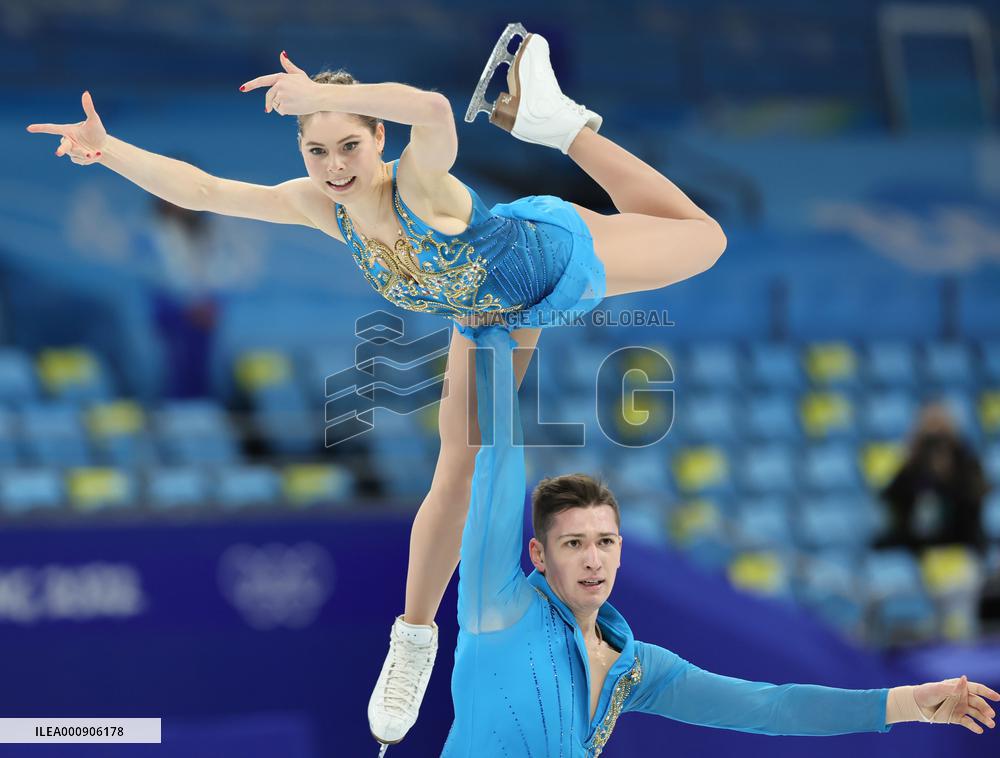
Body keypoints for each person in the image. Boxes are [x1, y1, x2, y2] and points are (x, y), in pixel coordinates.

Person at [26, 25, 727, 745]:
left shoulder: (419, 185)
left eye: (350, 146)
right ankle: (412, 641)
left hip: (549, 262)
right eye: (317, 149)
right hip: (483, 315)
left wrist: (329, 95)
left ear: (378, 140)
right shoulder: (319, 206)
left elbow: (430, 108)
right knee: (456, 470)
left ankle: (561, 125)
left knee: (704, 237)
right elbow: (203, 190)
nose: (334, 166)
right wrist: (107, 150)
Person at [443, 325, 998, 756]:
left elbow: (771, 707)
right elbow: (496, 466)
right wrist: (493, 339)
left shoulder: (633, 667)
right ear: (538, 554)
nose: (593, 560)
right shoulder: (500, 605)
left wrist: (907, 705)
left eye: (606, 542)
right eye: (572, 544)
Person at [879, 402, 990, 556]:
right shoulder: (913, 465)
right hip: (916, 544)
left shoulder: (967, 461)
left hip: (961, 540)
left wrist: (949, 472)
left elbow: (978, 495)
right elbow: (891, 497)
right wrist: (912, 453)